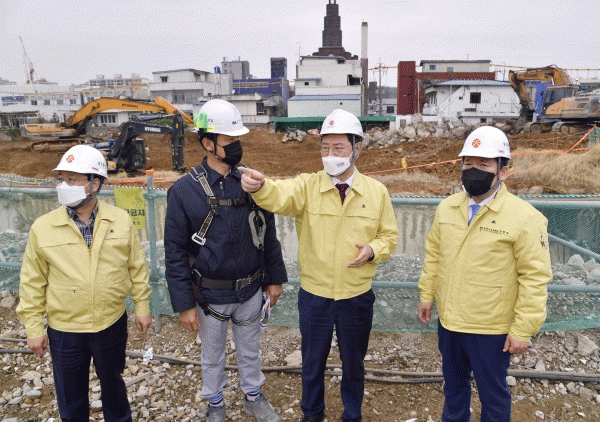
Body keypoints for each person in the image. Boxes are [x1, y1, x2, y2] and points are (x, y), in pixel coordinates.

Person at [239, 109, 399, 422]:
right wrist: (261, 187)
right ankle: (312, 415)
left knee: (354, 363)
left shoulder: (376, 192)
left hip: (356, 295)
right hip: (315, 295)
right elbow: (280, 195)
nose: (330, 154)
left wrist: (373, 250)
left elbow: (389, 236)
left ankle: (352, 414)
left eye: (338, 147)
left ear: (357, 148)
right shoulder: (308, 186)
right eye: (325, 147)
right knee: (312, 363)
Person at [417, 126, 552, 422]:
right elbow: (434, 256)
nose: (473, 170)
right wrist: (427, 295)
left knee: (493, 395)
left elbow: (534, 277)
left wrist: (523, 330)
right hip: (450, 322)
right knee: (454, 389)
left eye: (483, 164)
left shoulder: (525, 218)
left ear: (503, 171)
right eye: (468, 163)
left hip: (491, 328)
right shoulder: (447, 209)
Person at [164, 99, 287, 422]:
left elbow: (268, 233)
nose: (236, 145)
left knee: (250, 350)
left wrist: (274, 279)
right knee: (212, 354)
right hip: (209, 296)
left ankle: (253, 397)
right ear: (208, 144)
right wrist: (184, 304)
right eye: (229, 140)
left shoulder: (250, 182)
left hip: (250, 289)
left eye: (237, 139)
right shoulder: (183, 191)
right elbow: (174, 251)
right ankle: (216, 403)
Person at [17, 144, 152, 422]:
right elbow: (32, 282)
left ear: (95, 184)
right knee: (71, 396)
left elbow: (137, 267)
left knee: (113, 384)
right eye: (61, 179)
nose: (64, 186)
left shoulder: (120, 220)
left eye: (72, 179)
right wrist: (33, 327)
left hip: (110, 323)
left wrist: (142, 307)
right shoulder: (43, 228)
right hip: (65, 330)